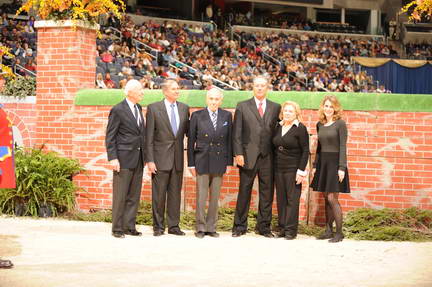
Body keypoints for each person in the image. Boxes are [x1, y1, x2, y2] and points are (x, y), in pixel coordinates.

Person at [232, 75, 281, 238]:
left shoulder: (275, 107)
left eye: (263, 86)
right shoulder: (242, 106)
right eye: (257, 85)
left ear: (267, 88)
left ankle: (264, 227)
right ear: (252, 87)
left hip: (268, 157)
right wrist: (238, 153)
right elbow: (236, 132)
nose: (260, 88)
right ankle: (239, 226)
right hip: (247, 156)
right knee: (244, 191)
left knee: (267, 193)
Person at [146, 79, 190, 237]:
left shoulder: (184, 109)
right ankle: (158, 226)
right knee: (158, 195)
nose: (177, 91)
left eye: (178, 88)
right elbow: (148, 137)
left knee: (175, 195)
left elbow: (188, 133)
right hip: (159, 160)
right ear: (165, 91)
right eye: (173, 89)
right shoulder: (153, 108)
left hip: (177, 160)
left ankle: (173, 226)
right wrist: (150, 160)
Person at [187, 88, 233, 238]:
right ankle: (200, 227)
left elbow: (229, 140)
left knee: (215, 197)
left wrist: (228, 162)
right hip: (202, 159)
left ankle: (211, 227)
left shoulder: (227, 115)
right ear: (207, 100)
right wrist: (191, 164)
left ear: (221, 100)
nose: (214, 102)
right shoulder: (197, 115)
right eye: (211, 99)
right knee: (201, 196)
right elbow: (191, 140)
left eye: (217, 99)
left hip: (219, 160)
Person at [105, 79, 146, 238]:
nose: (142, 93)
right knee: (120, 195)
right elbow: (110, 136)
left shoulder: (139, 108)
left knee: (134, 195)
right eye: (140, 90)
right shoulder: (118, 110)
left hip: (138, 158)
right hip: (123, 159)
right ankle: (117, 228)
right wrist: (113, 158)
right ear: (129, 92)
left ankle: (130, 226)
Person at [310, 95, 350, 243]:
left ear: (336, 108)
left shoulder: (340, 124)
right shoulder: (319, 124)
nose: (328, 109)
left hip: (335, 163)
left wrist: (342, 167)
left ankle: (339, 233)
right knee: (326, 198)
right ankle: (328, 230)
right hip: (323, 163)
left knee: (333, 198)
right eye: (326, 106)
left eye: (331, 106)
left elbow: (342, 146)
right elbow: (319, 148)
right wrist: (315, 166)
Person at [272, 101, 309, 240]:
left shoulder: (300, 128)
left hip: (293, 169)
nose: (287, 113)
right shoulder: (278, 126)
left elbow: (305, 151)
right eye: (286, 110)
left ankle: (290, 230)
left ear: (296, 114)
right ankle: (282, 227)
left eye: (291, 111)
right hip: (278, 168)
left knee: (292, 200)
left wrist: (301, 171)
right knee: (281, 199)